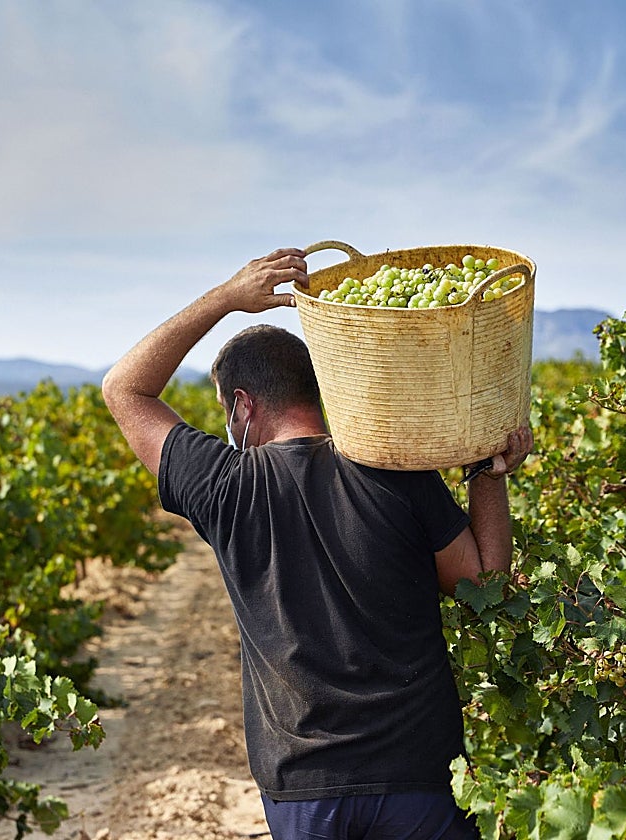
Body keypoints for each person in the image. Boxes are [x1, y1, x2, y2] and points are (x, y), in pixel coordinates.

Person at [101, 247, 533, 840]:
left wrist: (227, 296)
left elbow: (124, 389)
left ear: (242, 406)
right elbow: (484, 583)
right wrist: (488, 471)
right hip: (419, 777)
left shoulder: (224, 486)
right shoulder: (395, 468)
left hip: (303, 787)